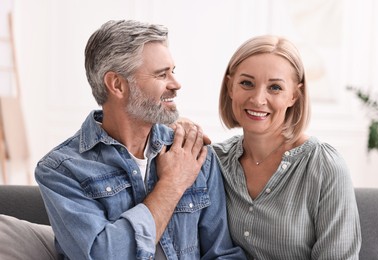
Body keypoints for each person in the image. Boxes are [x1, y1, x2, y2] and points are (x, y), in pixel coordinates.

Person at [34, 20, 246, 260]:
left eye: (172, 71)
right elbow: (105, 255)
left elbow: (222, 253)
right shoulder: (61, 171)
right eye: (161, 74)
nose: (176, 84)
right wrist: (172, 184)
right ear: (117, 85)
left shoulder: (192, 152)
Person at [177, 35, 361, 259]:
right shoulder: (215, 162)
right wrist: (174, 126)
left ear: (294, 95)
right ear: (230, 87)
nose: (258, 99)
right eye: (247, 83)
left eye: (275, 87)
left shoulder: (324, 166)